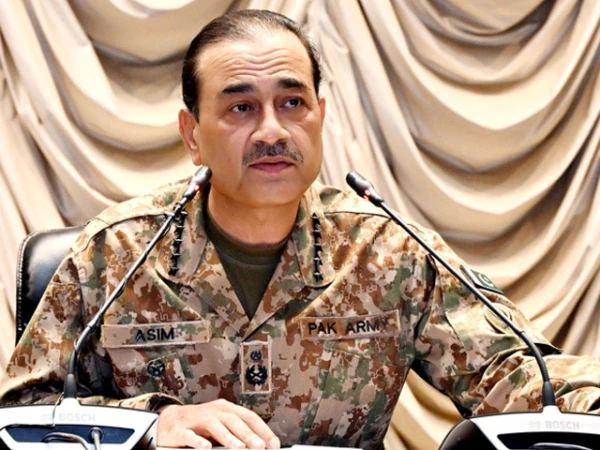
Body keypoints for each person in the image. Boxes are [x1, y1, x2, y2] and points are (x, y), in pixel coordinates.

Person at [2, 9, 600, 450]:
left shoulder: (386, 252)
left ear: (320, 116)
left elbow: (525, 375)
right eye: (240, 107)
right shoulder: (116, 252)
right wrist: (154, 423)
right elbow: (24, 414)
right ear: (192, 134)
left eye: (292, 103)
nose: (271, 130)